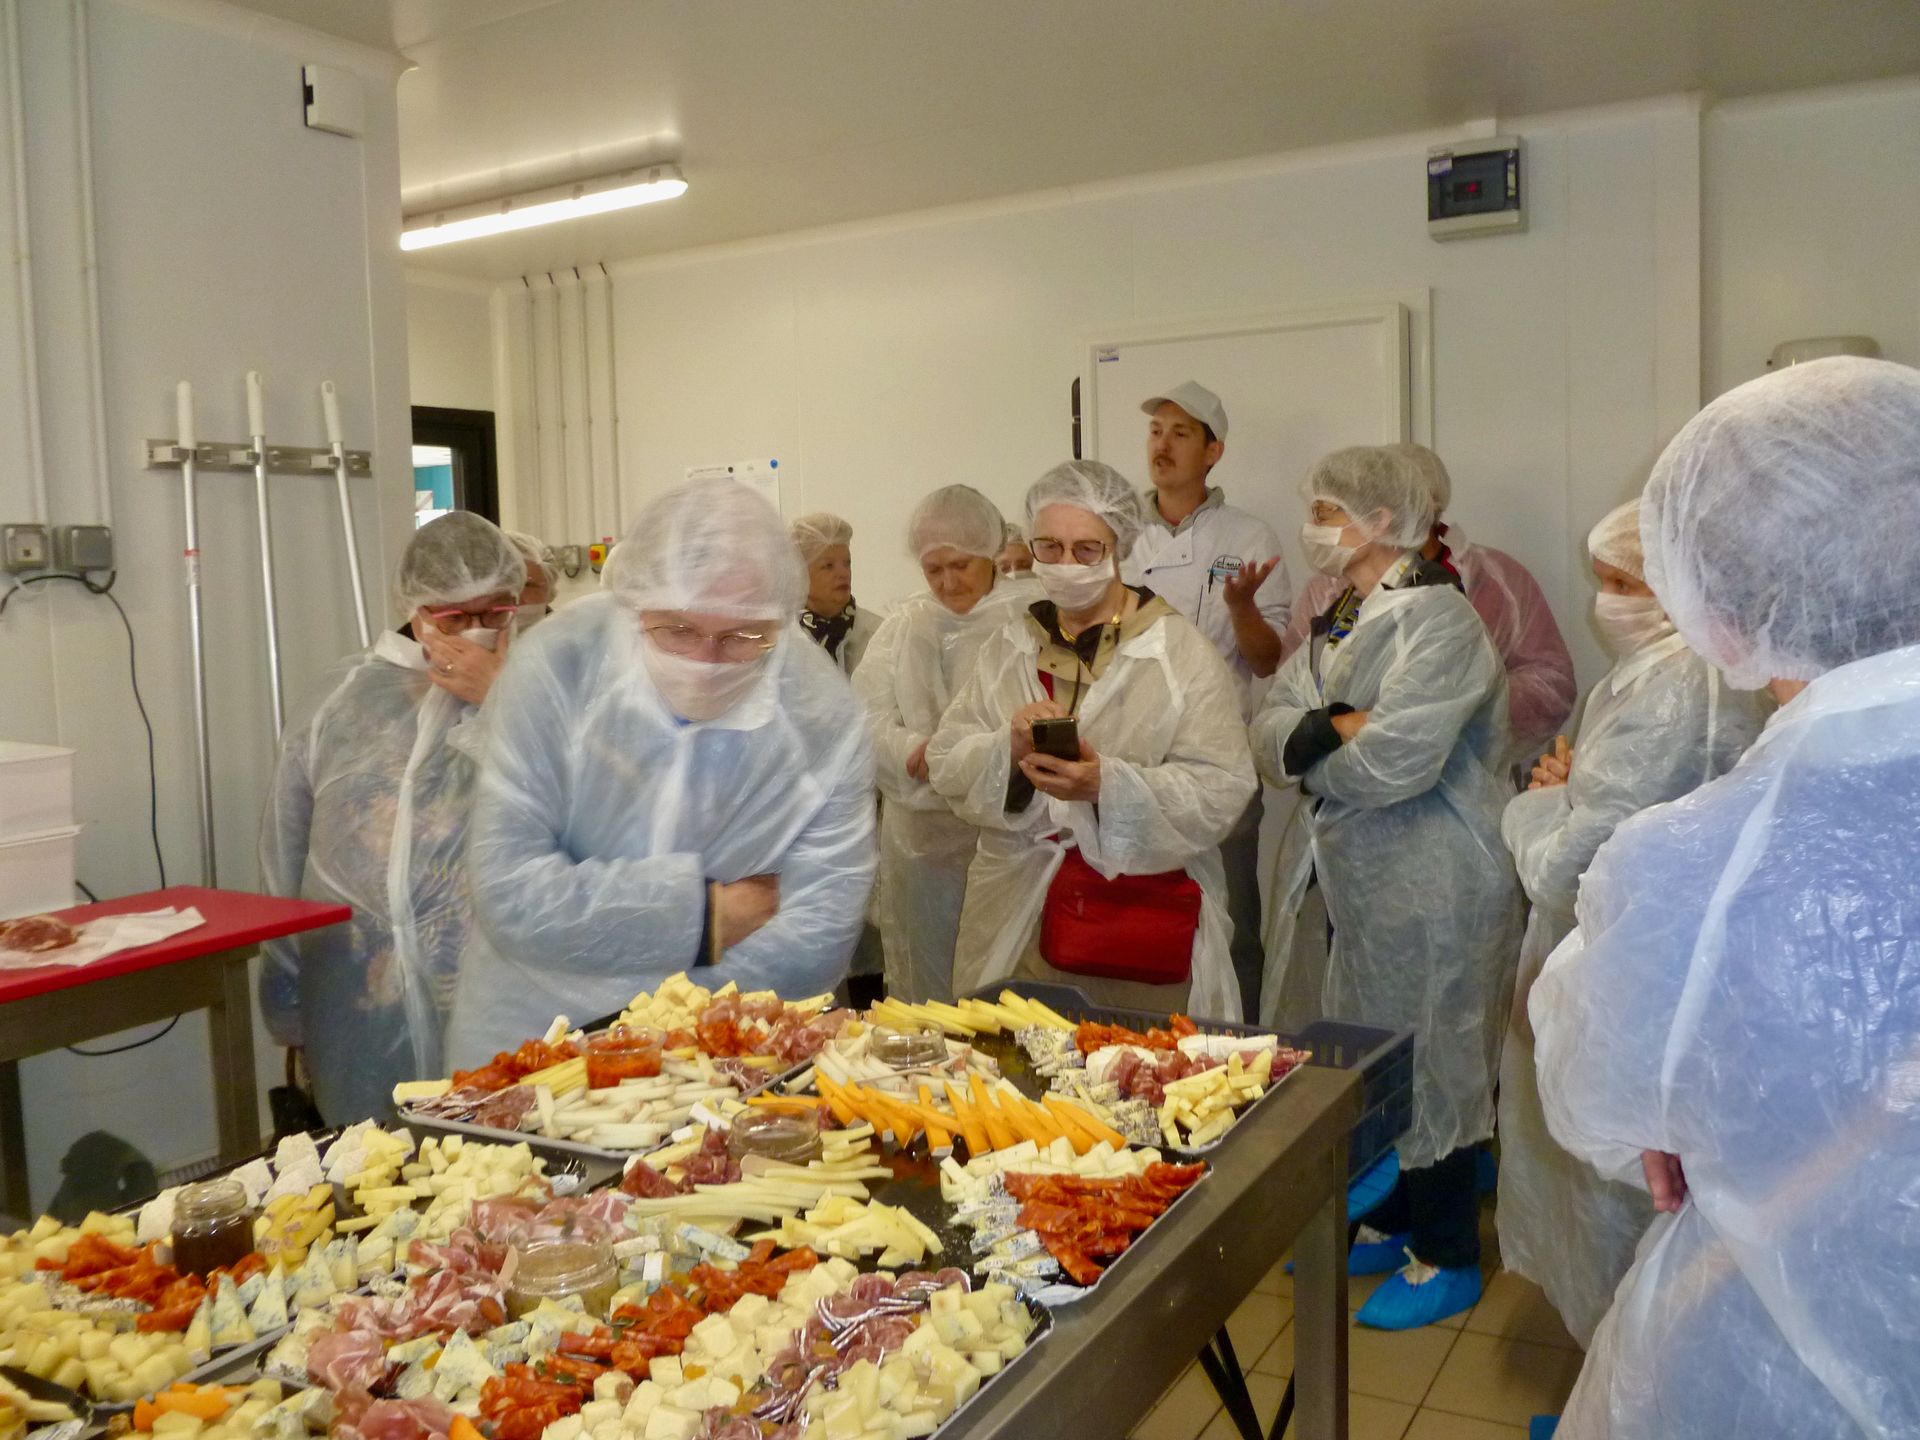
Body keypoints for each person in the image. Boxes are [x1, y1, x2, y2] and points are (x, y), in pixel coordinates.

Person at [1533, 357, 1920, 1438]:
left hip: (1783, 1372)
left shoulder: (1695, 861)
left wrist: (1693, 1108)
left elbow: (1600, 1099)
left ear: (1723, 605)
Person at [445, 479, 877, 1063]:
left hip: (721, 1060)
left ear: (780, 619)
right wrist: (705, 917)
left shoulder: (822, 718)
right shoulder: (560, 666)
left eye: (742, 636)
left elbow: (816, 937)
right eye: (677, 630)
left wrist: (669, 1031)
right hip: (532, 1040)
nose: (705, 659)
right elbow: (512, 892)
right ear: (635, 605)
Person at [1252, 445, 1521, 1330]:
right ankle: (1395, 1218)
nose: (1314, 526)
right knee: (1377, 1053)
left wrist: (1315, 751)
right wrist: (1334, 726)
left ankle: (1449, 1254)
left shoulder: (1441, 621)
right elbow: (1267, 728)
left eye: (1328, 511)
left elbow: (1396, 764)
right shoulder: (1343, 612)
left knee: (1437, 1059)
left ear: (1381, 520)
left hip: (1437, 874)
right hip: (1361, 875)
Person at [1495, 498, 1767, 1348]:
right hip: (1620, 956)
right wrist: (1568, 792)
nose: (1604, 602)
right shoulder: (1650, 673)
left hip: (1638, 969)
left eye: (1624, 584)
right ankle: (1607, 1362)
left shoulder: (1682, 687)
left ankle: (1625, 1376)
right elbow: (1600, 801)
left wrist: (1540, 804)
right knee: (1603, 1185)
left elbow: (1570, 865)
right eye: (1604, 581)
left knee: (1628, 1189)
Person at [927, 460, 1255, 1018]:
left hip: (1139, 925)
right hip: (1017, 919)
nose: (1065, 565)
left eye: (1086, 550)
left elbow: (1222, 788)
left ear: (1119, 547)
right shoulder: (1010, 646)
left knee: (1137, 1062)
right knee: (1013, 1062)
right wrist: (1006, 748)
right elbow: (946, 760)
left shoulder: (1177, 653)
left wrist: (1108, 786)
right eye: (1049, 547)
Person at [258, 512, 527, 1122]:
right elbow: (285, 851)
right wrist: (287, 996)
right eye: (454, 617)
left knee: (498, 1155)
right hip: (356, 990)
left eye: (496, 613)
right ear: (416, 609)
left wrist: (501, 700)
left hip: (489, 988)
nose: (476, 630)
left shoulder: (536, 695)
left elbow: (567, 811)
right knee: (372, 1160)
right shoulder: (341, 700)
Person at [1120, 382, 1291, 1019]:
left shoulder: (1248, 536)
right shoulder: (1116, 535)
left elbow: (1267, 659)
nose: (1161, 446)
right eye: (1155, 431)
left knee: (1232, 918)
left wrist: (1242, 608)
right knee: (1135, 917)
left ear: (1213, 451)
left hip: (1219, 756)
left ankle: (1244, 1048)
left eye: (1181, 433)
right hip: (1129, 756)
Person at [1278, 443, 1576, 772]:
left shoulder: (1495, 580)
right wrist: (1345, 727)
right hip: (1348, 774)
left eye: (1327, 512)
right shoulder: (1330, 590)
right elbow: (1290, 692)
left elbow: (1551, 682)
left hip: (1468, 776)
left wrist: (1460, 713)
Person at [854, 485, 1040, 1002]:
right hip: (921, 843)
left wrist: (979, 760)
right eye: (933, 569)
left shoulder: (1028, 617)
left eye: (960, 565)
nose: (948, 582)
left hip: (1006, 837)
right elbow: (863, 718)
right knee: (925, 980)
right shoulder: (904, 625)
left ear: (990, 553)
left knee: (1004, 982)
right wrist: (912, 751)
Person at [792, 512, 878, 673]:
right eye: (828, 566)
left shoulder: (878, 634)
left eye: (847, 563)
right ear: (799, 573)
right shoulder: (781, 637)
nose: (843, 573)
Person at [502, 529, 558, 632]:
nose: (514, 597)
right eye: (501, 586)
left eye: (526, 585)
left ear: (549, 591)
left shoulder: (572, 638)